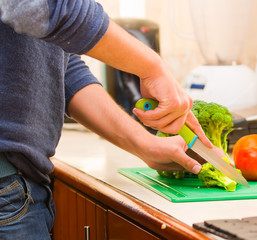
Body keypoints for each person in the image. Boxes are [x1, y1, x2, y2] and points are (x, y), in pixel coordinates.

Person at [0, 0, 213, 239]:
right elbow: (38, 5)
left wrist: (146, 144)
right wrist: (153, 68)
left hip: (16, 190)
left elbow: (62, 69)